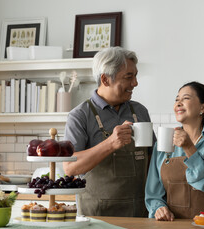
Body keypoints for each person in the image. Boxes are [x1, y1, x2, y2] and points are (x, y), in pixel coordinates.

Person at [63, 47, 155, 217]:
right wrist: (111, 143)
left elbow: (152, 161)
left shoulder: (140, 111)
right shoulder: (80, 116)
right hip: (97, 216)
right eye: (129, 77)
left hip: (140, 212)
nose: (135, 83)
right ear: (105, 79)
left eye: (135, 76)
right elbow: (70, 167)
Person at [145, 81, 204, 221]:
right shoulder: (164, 144)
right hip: (172, 227)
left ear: (203, 107)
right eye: (176, 99)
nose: (178, 103)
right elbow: (153, 193)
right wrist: (158, 208)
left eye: (185, 98)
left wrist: (189, 148)